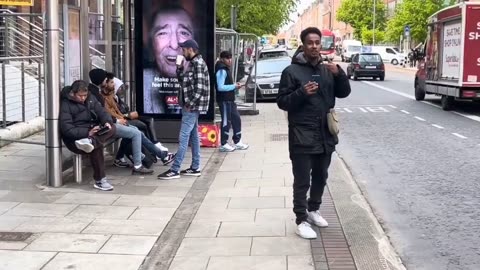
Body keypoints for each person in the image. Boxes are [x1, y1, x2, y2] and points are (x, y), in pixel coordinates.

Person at [277, 27, 351, 239]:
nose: (315, 46)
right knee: (302, 180)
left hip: (325, 133)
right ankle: (301, 219)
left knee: (321, 175)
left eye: (318, 42)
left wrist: (340, 75)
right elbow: (282, 102)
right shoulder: (291, 72)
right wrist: (301, 92)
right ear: (303, 45)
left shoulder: (328, 69)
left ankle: (313, 209)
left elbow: (344, 93)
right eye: (310, 43)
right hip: (301, 134)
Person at [157, 39, 210, 180]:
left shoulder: (197, 64)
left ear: (191, 49)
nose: (182, 52)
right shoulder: (192, 64)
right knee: (193, 136)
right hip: (191, 106)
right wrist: (179, 68)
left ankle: (175, 169)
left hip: (191, 107)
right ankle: (195, 167)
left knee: (183, 137)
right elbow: (183, 82)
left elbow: (199, 88)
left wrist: (189, 103)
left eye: (184, 49)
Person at [100, 73, 175, 168]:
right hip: (113, 125)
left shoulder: (110, 95)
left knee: (137, 131)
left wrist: (123, 118)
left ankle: (161, 155)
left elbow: (117, 111)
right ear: (105, 84)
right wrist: (123, 118)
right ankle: (140, 164)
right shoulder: (103, 98)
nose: (114, 84)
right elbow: (110, 113)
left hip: (119, 121)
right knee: (137, 133)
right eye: (111, 82)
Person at [89, 69, 154, 175]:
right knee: (136, 133)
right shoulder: (96, 95)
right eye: (106, 79)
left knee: (136, 130)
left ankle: (154, 154)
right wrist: (117, 120)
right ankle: (138, 165)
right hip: (105, 126)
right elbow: (102, 113)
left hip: (107, 123)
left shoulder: (95, 93)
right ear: (101, 80)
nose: (108, 81)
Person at [59, 80, 116, 191]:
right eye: (80, 96)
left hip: (92, 133)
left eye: (85, 95)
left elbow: (102, 112)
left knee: (112, 128)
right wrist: (87, 133)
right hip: (75, 139)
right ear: (73, 93)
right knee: (96, 147)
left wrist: (106, 122)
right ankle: (100, 180)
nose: (83, 98)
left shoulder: (90, 98)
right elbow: (67, 130)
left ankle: (91, 141)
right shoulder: (66, 104)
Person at [143, 6, 195, 114]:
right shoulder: (144, 83)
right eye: (163, 33)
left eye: (183, 33)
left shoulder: (200, 74)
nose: (174, 44)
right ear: (152, 44)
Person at [113, 77, 168, 152]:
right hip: (123, 119)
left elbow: (124, 109)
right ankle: (154, 148)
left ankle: (155, 145)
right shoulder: (111, 99)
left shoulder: (117, 98)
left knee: (148, 120)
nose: (122, 90)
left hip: (127, 117)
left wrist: (129, 113)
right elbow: (116, 114)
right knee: (141, 128)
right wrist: (126, 115)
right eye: (120, 88)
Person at [215, 50, 249, 152]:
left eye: (230, 58)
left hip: (229, 99)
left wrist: (234, 87)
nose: (229, 60)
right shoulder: (221, 70)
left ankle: (237, 141)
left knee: (236, 119)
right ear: (222, 59)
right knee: (226, 121)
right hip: (224, 100)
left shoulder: (225, 68)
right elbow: (220, 87)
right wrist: (234, 86)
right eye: (227, 58)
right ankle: (224, 143)